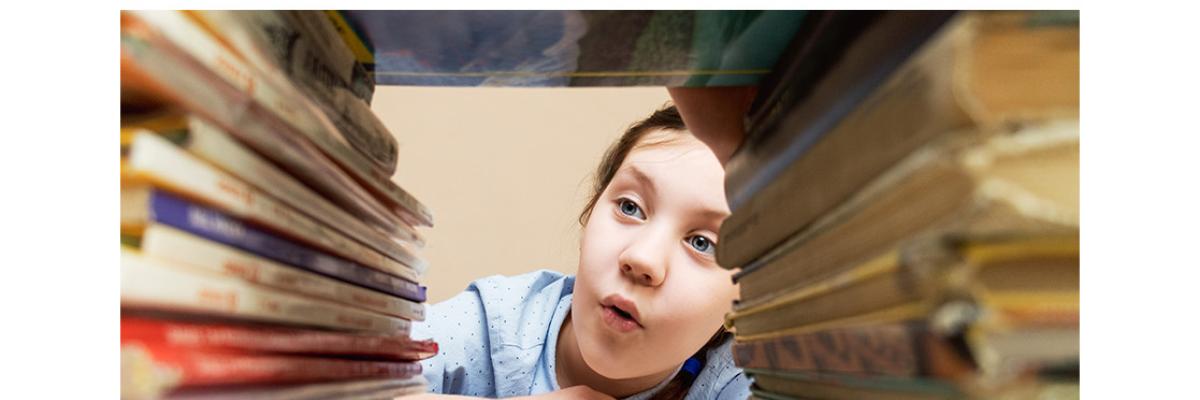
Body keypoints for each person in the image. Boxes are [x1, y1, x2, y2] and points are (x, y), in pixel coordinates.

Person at [409, 95, 754, 400]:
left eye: (701, 243)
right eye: (629, 207)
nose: (641, 257)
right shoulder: (494, 325)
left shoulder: (745, 380)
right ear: (590, 213)